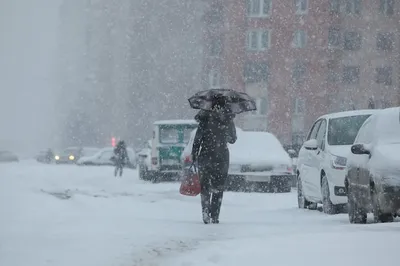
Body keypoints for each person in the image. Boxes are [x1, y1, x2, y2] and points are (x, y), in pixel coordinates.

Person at [191, 96, 237, 224]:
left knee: (205, 186)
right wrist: (224, 132)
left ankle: (205, 211)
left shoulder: (204, 119)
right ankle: (215, 215)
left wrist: (194, 155)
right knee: (218, 187)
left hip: (205, 155)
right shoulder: (227, 119)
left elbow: (197, 140)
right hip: (221, 157)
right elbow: (233, 139)